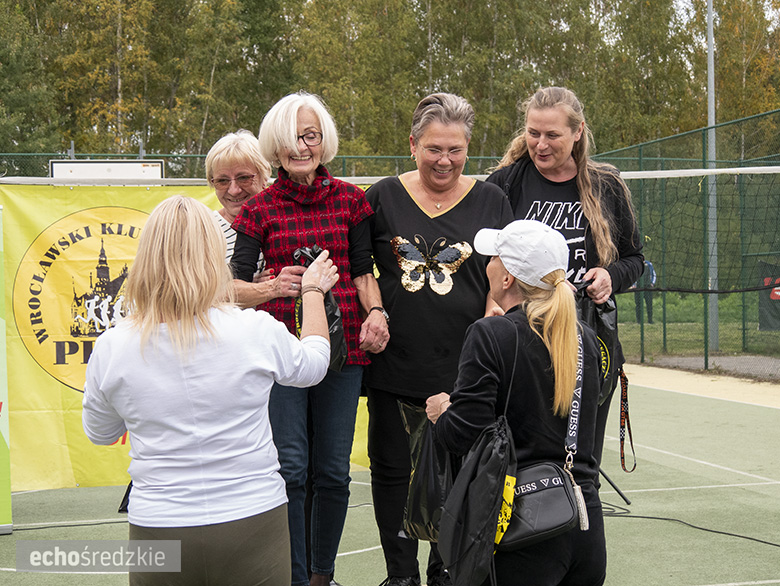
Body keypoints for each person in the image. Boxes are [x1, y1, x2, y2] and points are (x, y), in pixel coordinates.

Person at [82, 195, 339, 586]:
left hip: (159, 522)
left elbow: (101, 433)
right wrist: (313, 291)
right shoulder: (253, 329)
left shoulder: (113, 346)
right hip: (253, 515)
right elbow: (314, 364)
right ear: (214, 253)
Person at [231, 91, 389, 586]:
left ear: (323, 141)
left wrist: (377, 312)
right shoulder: (258, 209)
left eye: (311, 136)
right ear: (275, 148)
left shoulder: (351, 200)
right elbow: (234, 288)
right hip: (281, 354)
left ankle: (323, 575)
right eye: (293, 139)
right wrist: (271, 287)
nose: (303, 147)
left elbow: (363, 273)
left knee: (334, 472)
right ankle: (295, 578)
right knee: (291, 468)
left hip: (343, 355)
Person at [365, 93, 514, 586]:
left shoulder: (492, 199)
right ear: (412, 145)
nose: (444, 160)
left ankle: (444, 572)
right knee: (392, 475)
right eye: (433, 148)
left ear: (469, 147)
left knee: (460, 477)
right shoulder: (382, 196)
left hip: (466, 374)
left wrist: (495, 310)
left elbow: (503, 275)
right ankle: (400, 575)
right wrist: (374, 312)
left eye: (455, 149)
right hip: (395, 368)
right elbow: (360, 269)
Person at [426, 219, 606, 586]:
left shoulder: (491, 334)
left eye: (494, 258)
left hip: (523, 523)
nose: (487, 264)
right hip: (583, 520)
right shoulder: (582, 337)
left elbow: (461, 434)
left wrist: (441, 412)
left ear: (507, 278)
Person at [486, 86, 643, 466]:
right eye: (533, 133)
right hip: (521, 341)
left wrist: (610, 276)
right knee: (516, 457)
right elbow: (485, 262)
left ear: (577, 132)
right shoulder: (504, 184)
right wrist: (492, 303)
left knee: (580, 459)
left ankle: (579, 520)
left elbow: (634, 259)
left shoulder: (606, 186)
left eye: (552, 135)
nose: (540, 144)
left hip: (585, 339)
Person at [206, 129, 307, 304]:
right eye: (222, 181)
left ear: (264, 176)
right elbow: (186, 298)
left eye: (244, 178)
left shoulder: (288, 224)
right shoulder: (202, 232)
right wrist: (256, 289)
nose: (234, 190)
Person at [632, 259, 656, 323]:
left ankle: (650, 320)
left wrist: (652, 283)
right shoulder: (636, 265)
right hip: (638, 288)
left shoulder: (649, 264)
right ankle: (639, 321)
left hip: (647, 287)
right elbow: (633, 275)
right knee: (638, 305)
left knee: (649, 304)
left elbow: (654, 274)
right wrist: (634, 284)